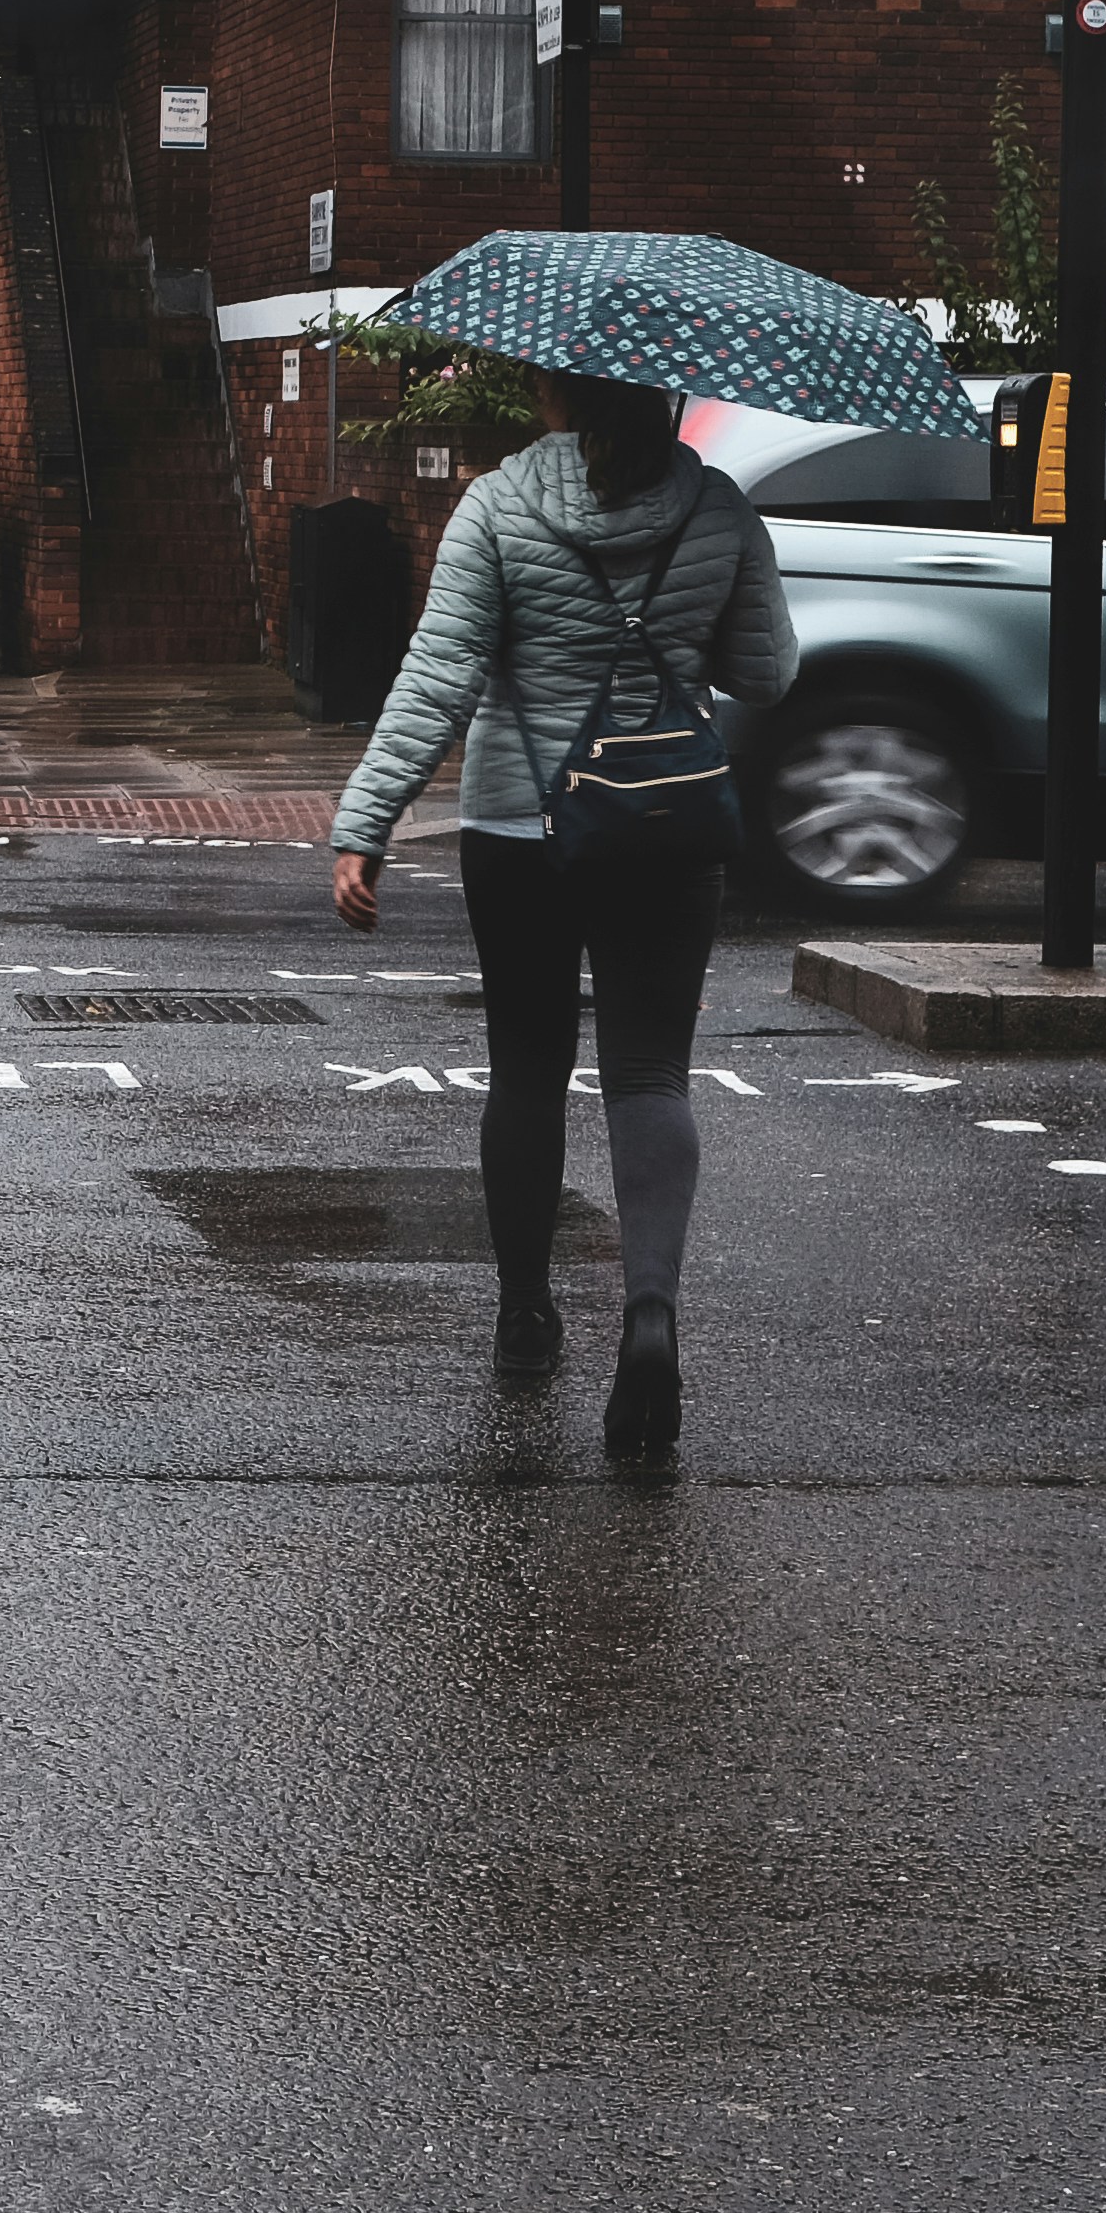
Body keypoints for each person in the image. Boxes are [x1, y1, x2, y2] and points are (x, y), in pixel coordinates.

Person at [321, 364, 792, 1461]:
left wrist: (367, 820)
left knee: (527, 1064)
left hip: (519, 827)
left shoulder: (497, 502)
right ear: (666, 400)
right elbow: (767, 671)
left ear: (553, 397)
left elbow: (440, 669)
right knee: (648, 1071)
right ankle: (651, 1314)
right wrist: (679, 633)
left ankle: (527, 1316)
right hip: (666, 825)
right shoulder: (718, 507)